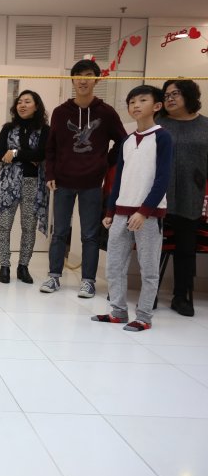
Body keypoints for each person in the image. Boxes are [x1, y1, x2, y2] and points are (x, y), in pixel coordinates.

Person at [41, 59, 126, 298]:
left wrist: (104, 162)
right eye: (78, 75)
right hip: (63, 181)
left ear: (96, 80)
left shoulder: (106, 112)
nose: (83, 80)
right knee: (59, 232)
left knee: (89, 235)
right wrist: (50, 173)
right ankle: (54, 276)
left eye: (88, 75)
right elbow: (51, 147)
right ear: (72, 80)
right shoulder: (60, 112)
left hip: (92, 183)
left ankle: (88, 281)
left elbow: (123, 141)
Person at [92, 85, 172, 331]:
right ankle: (118, 311)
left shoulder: (163, 137)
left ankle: (144, 317)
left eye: (142, 100)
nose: (136, 105)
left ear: (157, 106)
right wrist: (110, 211)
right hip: (121, 211)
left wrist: (144, 211)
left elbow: (163, 178)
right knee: (114, 265)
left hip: (148, 214)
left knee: (149, 268)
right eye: (131, 101)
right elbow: (118, 179)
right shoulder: (127, 141)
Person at [157, 79, 208, 317]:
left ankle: (181, 297)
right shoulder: (158, 124)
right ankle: (150, 293)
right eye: (166, 95)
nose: (169, 98)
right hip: (158, 196)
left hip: (191, 196)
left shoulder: (205, 126)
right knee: (152, 247)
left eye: (175, 93)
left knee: (186, 249)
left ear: (188, 95)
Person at [0, 90, 50, 284]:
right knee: (4, 225)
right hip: (8, 183)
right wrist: (27, 155)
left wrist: (15, 153)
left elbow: (41, 154)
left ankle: (23, 266)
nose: (22, 105)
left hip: (33, 183)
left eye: (27, 101)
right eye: (19, 102)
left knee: (29, 227)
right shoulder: (8, 128)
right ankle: (4, 266)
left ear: (36, 106)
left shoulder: (45, 130)